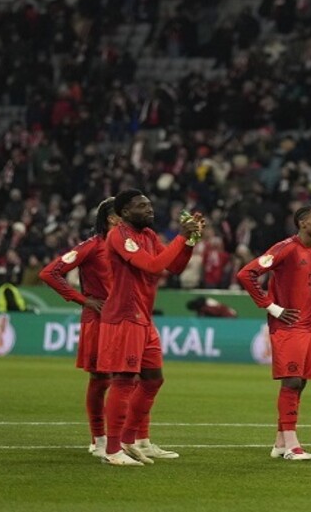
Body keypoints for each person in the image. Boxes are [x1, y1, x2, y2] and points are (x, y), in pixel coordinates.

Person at [98, 189, 202, 466]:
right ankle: (112, 450)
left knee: (153, 379)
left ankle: (129, 441)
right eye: (141, 207)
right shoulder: (119, 236)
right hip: (123, 316)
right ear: (124, 213)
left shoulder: (148, 236)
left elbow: (175, 267)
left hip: (143, 317)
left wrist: (190, 240)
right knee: (123, 381)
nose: (149, 210)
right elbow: (153, 265)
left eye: (150, 205)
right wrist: (180, 236)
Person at [235, 205, 311, 461]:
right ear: (302, 223)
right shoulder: (285, 248)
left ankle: (280, 442)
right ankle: (292, 445)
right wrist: (272, 307)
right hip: (288, 325)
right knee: (291, 381)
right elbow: (247, 274)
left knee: (301, 382)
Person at [37, 197, 118, 456]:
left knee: (133, 378)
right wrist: (83, 299)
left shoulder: (131, 247)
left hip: (125, 318)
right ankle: (99, 439)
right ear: (111, 218)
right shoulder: (93, 246)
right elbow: (50, 272)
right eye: (123, 213)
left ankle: (128, 439)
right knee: (101, 378)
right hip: (99, 318)